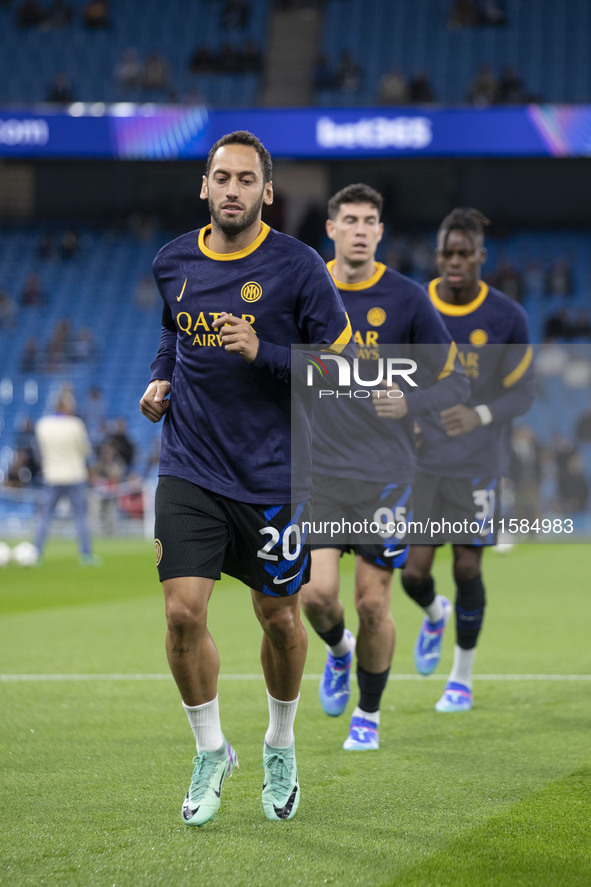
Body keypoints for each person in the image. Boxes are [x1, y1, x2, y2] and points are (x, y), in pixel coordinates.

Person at [139, 130, 352, 826]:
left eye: (245, 180)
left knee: (279, 617)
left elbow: (340, 371)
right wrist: (160, 378)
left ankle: (280, 742)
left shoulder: (299, 268)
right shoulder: (172, 260)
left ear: (267, 192)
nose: (231, 190)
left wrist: (264, 351)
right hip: (190, 465)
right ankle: (209, 748)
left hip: (272, 476)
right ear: (204, 186)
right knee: (180, 614)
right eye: (220, 178)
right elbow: (174, 331)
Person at [300, 184, 468, 751]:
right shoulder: (305, 287)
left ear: (380, 230)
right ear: (331, 229)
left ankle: (368, 716)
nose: (361, 229)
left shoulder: (407, 298)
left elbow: (457, 379)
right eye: (350, 219)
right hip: (320, 469)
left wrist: (413, 401)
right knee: (317, 597)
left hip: (388, 473)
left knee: (373, 602)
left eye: (370, 220)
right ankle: (340, 652)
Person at [400, 208, 534, 713]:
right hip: (423, 462)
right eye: (446, 253)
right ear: (437, 256)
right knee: (413, 574)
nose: (454, 262)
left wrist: (479, 413)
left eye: (464, 253)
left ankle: (461, 677)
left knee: (467, 565)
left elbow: (523, 394)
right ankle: (435, 613)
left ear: (481, 256)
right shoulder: (416, 306)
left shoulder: (507, 318)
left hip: (479, 462)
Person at [33, 388, 100, 565]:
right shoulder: (76, 425)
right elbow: (85, 452)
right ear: (66, 405)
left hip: (52, 476)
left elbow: (40, 451)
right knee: (80, 516)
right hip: (75, 476)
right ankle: (85, 554)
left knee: (45, 516)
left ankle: (37, 552)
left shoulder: (42, 424)